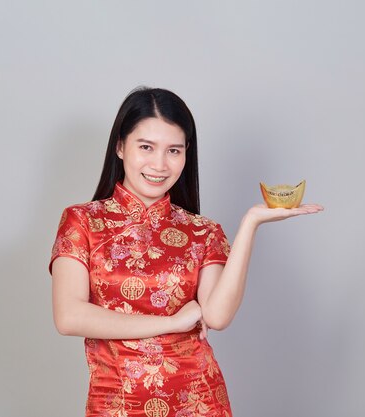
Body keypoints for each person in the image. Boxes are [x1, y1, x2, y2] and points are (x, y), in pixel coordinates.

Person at [49, 86, 323, 417]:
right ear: (120, 146)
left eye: (174, 151)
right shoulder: (82, 221)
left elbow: (218, 316)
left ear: (186, 154)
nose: (160, 164)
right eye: (146, 147)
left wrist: (251, 224)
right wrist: (173, 321)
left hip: (198, 400)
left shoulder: (202, 231)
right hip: (116, 403)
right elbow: (69, 316)